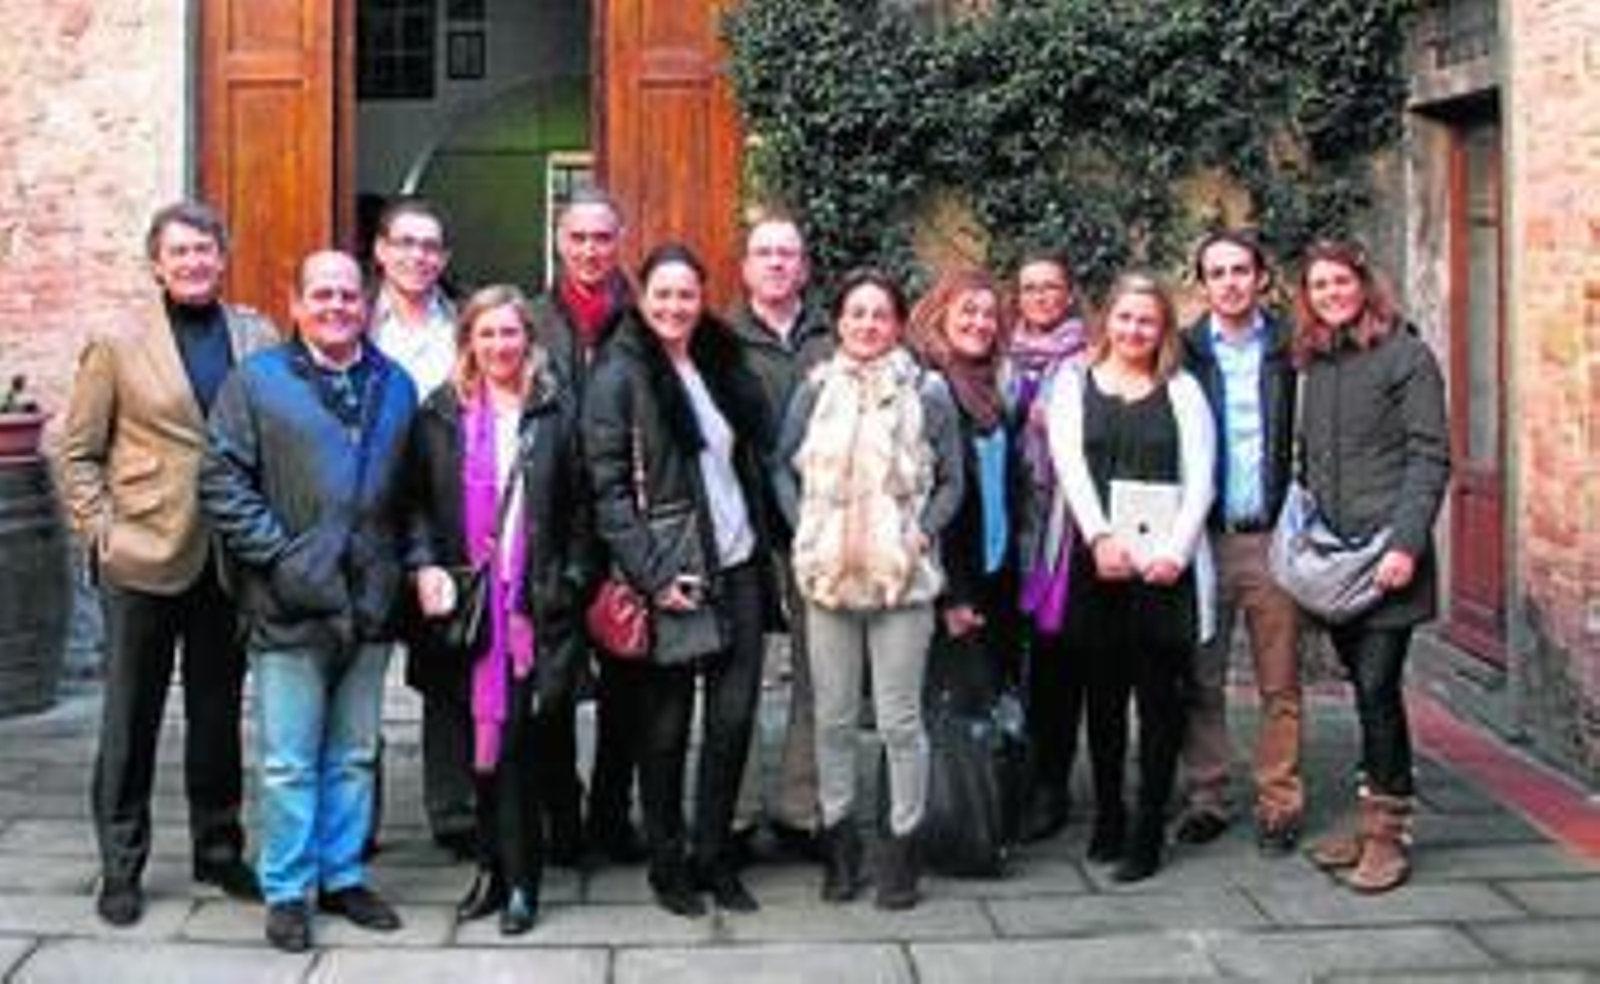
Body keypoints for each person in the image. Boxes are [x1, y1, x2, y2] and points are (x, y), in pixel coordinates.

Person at [60, 201, 277, 926]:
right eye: (179, 252)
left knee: (218, 715)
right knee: (131, 716)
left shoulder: (256, 334)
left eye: (205, 250)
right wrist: (103, 533)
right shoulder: (119, 343)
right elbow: (78, 450)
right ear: (156, 262)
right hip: (144, 555)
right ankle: (121, 864)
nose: (193, 263)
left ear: (223, 257)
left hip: (227, 559)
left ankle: (219, 849)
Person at [201, 250, 417, 952]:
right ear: (295, 303)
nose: (335, 306)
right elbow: (223, 479)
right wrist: (279, 556)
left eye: (348, 295)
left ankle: (343, 873)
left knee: (355, 750)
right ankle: (288, 887)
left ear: (366, 303)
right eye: (321, 294)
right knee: (290, 757)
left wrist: (410, 566)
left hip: (369, 599)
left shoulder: (396, 385)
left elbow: (413, 494)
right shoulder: (256, 382)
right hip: (290, 599)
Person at [583, 243, 775, 917]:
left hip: (739, 563)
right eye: (661, 294)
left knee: (732, 720)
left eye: (686, 294)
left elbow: (746, 461)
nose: (673, 307)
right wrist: (654, 575)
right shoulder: (618, 374)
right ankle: (668, 863)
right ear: (641, 297)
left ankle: (713, 855)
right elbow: (606, 491)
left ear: (703, 297)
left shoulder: (721, 361)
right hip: (674, 570)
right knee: (664, 727)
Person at [773, 269, 964, 910]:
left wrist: (920, 535)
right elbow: (781, 465)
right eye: (856, 314)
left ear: (898, 322)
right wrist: (806, 525)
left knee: (900, 721)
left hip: (901, 582)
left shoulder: (928, 393)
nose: (868, 325)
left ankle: (901, 852)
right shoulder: (814, 390)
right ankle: (839, 850)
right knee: (831, 719)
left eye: (880, 314)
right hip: (827, 579)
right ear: (839, 322)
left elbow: (952, 485)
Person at [406, 285, 591, 935]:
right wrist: (425, 565)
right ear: (468, 343)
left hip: (530, 613)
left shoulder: (556, 411)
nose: (499, 346)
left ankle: (522, 882)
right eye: (485, 335)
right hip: (467, 612)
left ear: (528, 341)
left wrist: (567, 582)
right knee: (474, 749)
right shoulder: (441, 414)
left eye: (510, 334)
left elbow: (581, 514)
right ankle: (489, 869)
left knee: (517, 749)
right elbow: (418, 507)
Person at [1047, 272, 1216, 883]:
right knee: (1104, 697)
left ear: (1163, 329)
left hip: (1163, 570)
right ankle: (1109, 813)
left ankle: (1148, 824)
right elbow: (1069, 465)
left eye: (1147, 321)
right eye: (1125, 318)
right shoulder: (1073, 383)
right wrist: (1100, 537)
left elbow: (1202, 481)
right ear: (1107, 322)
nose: (1134, 330)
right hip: (1101, 567)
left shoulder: (1184, 392)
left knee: (1161, 700)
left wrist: (1175, 551)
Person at [1292, 239, 1449, 894]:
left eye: (1340, 281)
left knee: (1379, 687)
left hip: (1388, 556)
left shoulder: (1406, 357)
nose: (1330, 293)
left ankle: (1389, 834)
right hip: (1336, 560)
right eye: (1318, 285)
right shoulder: (1318, 362)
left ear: (1364, 283)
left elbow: (1429, 455)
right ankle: (1370, 817)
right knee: (1361, 685)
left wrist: (1405, 545)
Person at [1175, 229, 1306, 856]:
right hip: (1204, 537)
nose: (1229, 282)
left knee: (1279, 680)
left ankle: (1279, 798)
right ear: (1202, 285)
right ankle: (1207, 794)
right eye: (1216, 272)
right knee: (1201, 676)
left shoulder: (1291, 347)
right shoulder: (1183, 352)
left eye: (1239, 270)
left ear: (1260, 277)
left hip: (1271, 535)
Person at [530, 188, 639, 866]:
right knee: (553, 689)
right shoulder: (533, 318)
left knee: (630, 684)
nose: (591, 251)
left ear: (619, 240)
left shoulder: (645, 318)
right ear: (559, 241)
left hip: (627, 526)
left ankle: (610, 815)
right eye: (579, 238)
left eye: (602, 238)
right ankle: (560, 815)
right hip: (553, 527)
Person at [727, 211, 834, 858]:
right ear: (745, 268)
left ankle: (803, 806)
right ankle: (735, 814)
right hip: (744, 528)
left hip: (819, 533)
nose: (775, 263)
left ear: (804, 267)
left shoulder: (834, 336)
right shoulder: (719, 338)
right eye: (763, 253)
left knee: (817, 673)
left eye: (787, 254)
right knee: (739, 672)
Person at [368, 195, 470, 858]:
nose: (418, 257)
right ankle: (359, 818)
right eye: (405, 243)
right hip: (370, 526)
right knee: (358, 675)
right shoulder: (353, 320)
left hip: (446, 523)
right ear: (380, 251)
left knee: (448, 672)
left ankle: (453, 810)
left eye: (430, 246)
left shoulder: (464, 326)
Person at [1002, 249, 1092, 843]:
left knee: (1059, 666)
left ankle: (1051, 787)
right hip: (1008, 530)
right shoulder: (998, 355)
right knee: (1009, 665)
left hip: (1065, 534)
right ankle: (1010, 777)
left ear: (1068, 294)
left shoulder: (1089, 358)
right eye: (1029, 287)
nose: (1039, 296)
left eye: (1050, 287)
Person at [906, 267, 1017, 715]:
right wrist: (950, 596)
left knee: (985, 711)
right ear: (940, 315)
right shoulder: (928, 390)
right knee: (941, 717)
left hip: (995, 574)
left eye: (990, 314)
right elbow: (930, 498)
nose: (980, 322)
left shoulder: (996, 389)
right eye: (968, 310)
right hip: (950, 581)